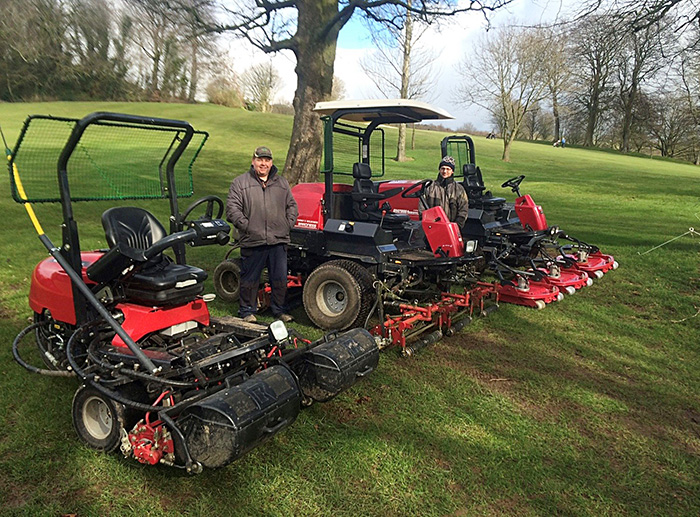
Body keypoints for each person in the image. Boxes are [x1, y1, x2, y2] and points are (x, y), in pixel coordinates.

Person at [226, 146, 298, 323]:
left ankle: (279, 310)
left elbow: (292, 206)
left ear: (271, 163)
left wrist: (287, 224)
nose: (263, 163)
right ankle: (247, 311)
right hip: (253, 240)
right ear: (253, 161)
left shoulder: (281, 183)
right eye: (260, 160)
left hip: (278, 239)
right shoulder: (240, 183)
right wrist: (247, 226)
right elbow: (232, 210)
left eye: (266, 160)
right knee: (250, 278)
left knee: (280, 279)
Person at [419, 155, 469, 227]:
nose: (445, 171)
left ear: (452, 171)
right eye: (443, 168)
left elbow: (463, 210)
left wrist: (457, 226)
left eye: (448, 169)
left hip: (451, 228)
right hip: (432, 227)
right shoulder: (430, 187)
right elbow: (422, 208)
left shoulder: (459, 189)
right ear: (439, 170)